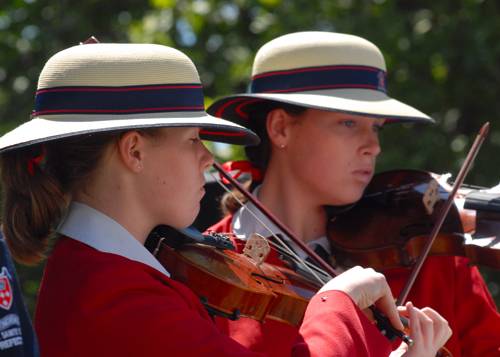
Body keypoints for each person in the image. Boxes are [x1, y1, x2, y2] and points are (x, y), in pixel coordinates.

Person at [0, 41, 426, 357]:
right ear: (134, 152)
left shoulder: (109, 274)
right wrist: (340, 302)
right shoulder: (116, 294)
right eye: (191, 140)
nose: (207, 157)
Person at [207, 31, 498, 356]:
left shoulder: (425, 250)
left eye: (376, 127)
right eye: (348, 123)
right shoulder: (213, 271)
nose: (373, 146)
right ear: (281, 128)